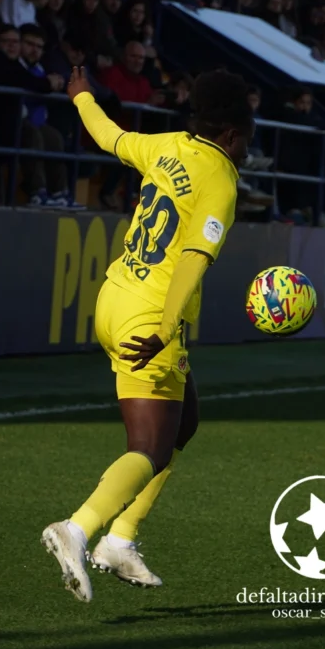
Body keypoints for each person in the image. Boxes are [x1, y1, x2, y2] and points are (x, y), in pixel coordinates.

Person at [41, 66, 255, 603]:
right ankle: (79, 528)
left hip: (116, 293)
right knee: (150, 446)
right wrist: (165, 329)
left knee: (184, 422)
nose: (250, 145)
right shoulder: (222, 179)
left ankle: (121, 539)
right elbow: (193, 257)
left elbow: (110, 136)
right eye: (248, 135)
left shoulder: (167, 145)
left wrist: (81, 95)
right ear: (231, 134)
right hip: (150, 316)